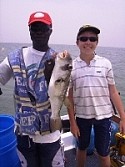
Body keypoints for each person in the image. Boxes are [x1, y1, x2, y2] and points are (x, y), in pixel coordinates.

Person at [0, 11, 64, 167]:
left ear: (51, 30)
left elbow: (64, 93)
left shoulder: (58, 60)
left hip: (50, 134)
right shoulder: (14, 57)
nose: (39, 32)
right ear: (29, 31)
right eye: (35, 29)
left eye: (43, 28)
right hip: (23, 133)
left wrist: (51, 77)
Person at [67, 24, 125, 167]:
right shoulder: (70, 67)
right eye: (84, 38)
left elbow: (113, 91)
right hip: (81, 117)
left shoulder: (105, 63)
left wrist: (123, 117)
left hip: (104, 117)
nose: (88, 42)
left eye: (92, 39)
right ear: (77, 42)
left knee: (104, 153)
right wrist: (72, 123)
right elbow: (69, 98)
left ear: (97, 43)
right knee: (81, 149)